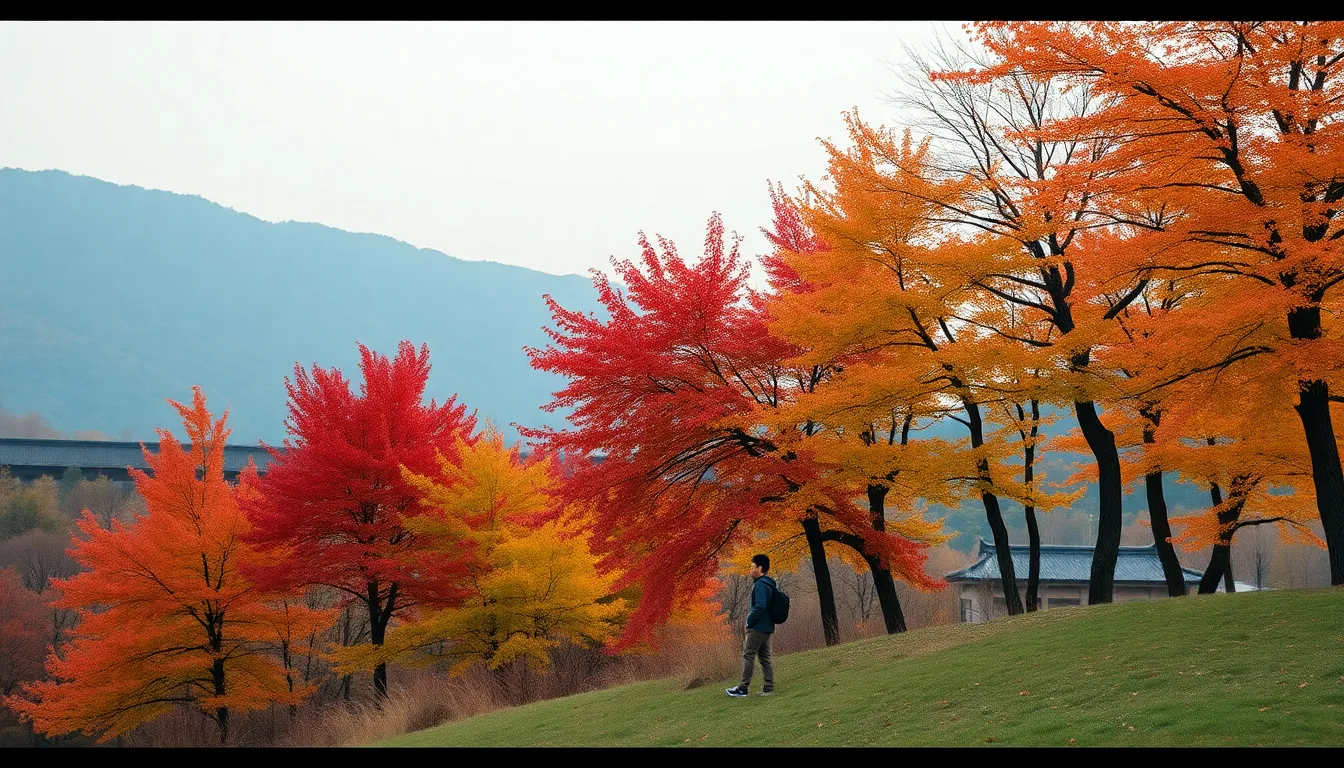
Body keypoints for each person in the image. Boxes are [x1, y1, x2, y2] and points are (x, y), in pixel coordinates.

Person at [726, 553, 775, 697]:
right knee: (765, 657)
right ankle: (768, 687)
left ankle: (743, 688)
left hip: (758, 627)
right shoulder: (770, 584)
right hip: (768, 626)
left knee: (748, 655)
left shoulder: (760, 585)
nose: (750, 570)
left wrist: (749, 621)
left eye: (753, 567)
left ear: (760, 568)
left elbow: (760, 606)